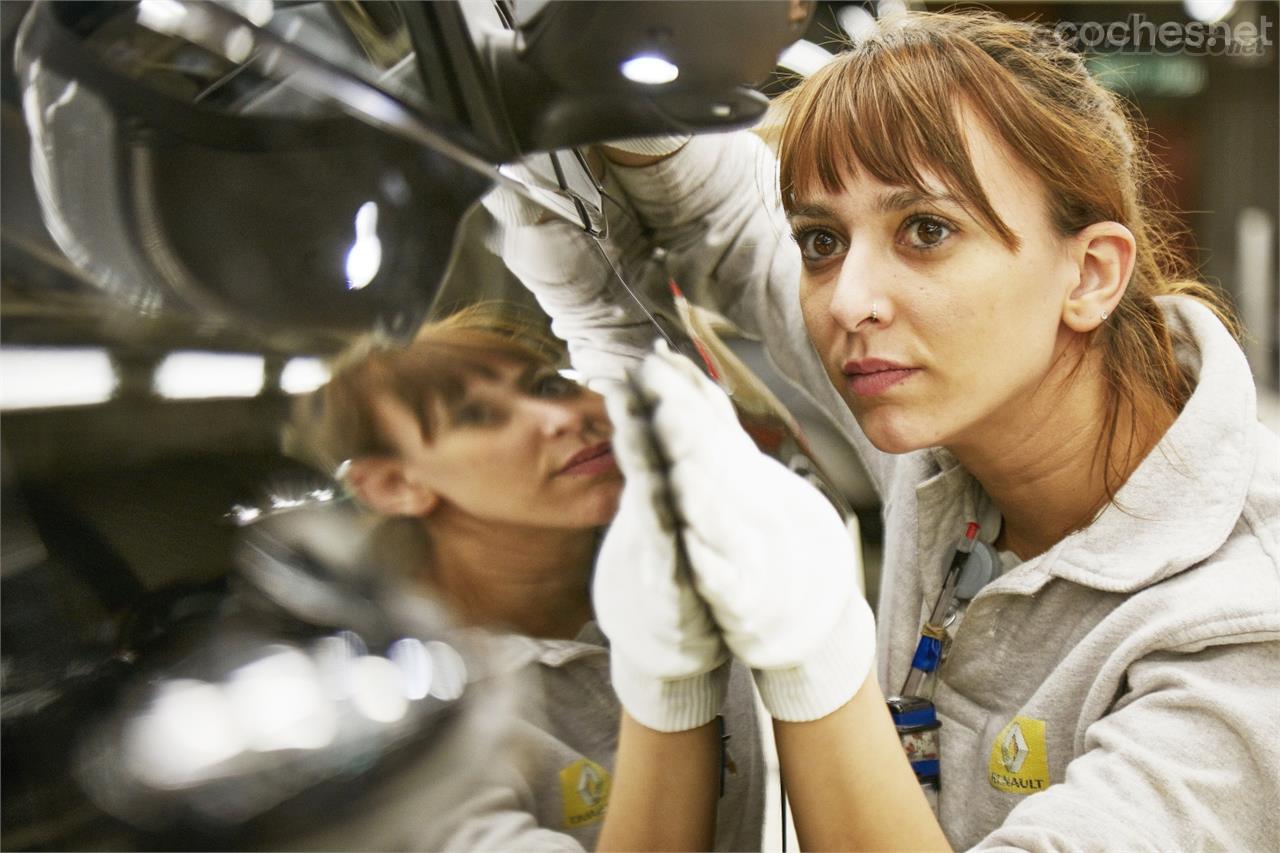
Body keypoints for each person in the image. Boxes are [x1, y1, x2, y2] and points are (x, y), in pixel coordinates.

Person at [487, 10, 1280, 851]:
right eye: (822, 241)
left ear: (1088, 274)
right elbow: (709, 218)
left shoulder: (1240, 633)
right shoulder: (963, 418)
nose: (849, 300)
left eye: (927, 231)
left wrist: (812, 657)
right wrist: (590, 69)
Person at [283, 305, 765, 851]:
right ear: (394, 485)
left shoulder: (676, 546)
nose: (558, 419)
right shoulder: (408, 712)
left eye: (550, 386)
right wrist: (670, 676)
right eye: (478, 416)